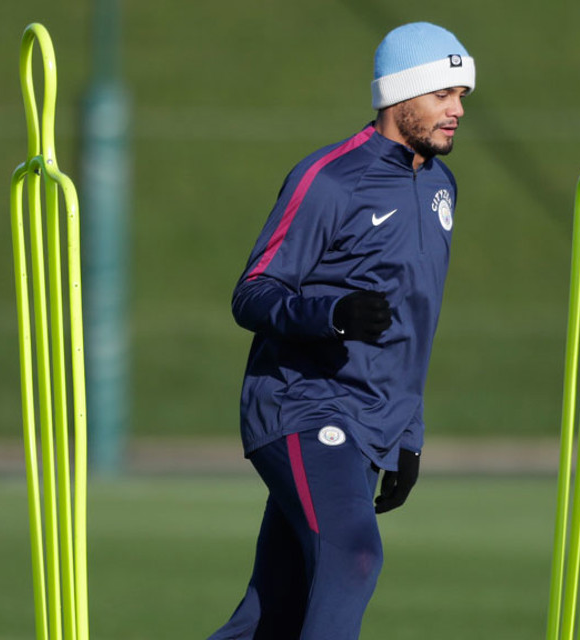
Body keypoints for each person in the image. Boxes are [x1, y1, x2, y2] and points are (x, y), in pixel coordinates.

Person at [208, 22, 476, 640]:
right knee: (353, 554)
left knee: (271, 615)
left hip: (374, 423)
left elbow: (417, 323)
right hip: (301, 407)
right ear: (401, 96)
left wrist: (410, 433)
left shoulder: (442, 187)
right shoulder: (328, 178)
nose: (457, 111)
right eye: (443, 95)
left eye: (462, 97)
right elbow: (252, 294)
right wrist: (331, 315)